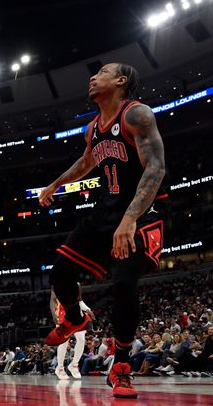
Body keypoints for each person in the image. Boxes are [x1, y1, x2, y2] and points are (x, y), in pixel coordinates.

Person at [39, 63, 167, 399]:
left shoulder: (136, 115)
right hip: (104, 212)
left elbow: (156, 167)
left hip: (139, 213)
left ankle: (122, 366)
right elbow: (85, 163)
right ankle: (73, 318)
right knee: (60, 272)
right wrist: (55, 184)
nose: (93, 77)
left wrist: (129, 220)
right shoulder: (93, 127)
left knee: (124, 284)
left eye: (103, 72)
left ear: (121, 81)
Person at [50, 286, 94, 379]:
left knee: (81, 340)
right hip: (62, 314)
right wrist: (54, 315)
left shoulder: (76, 284)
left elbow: (80, 302)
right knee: (64, 342)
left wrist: (88, 309)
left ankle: (74, 365)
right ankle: (60, 368)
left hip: (76, 313)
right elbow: (52, 301)